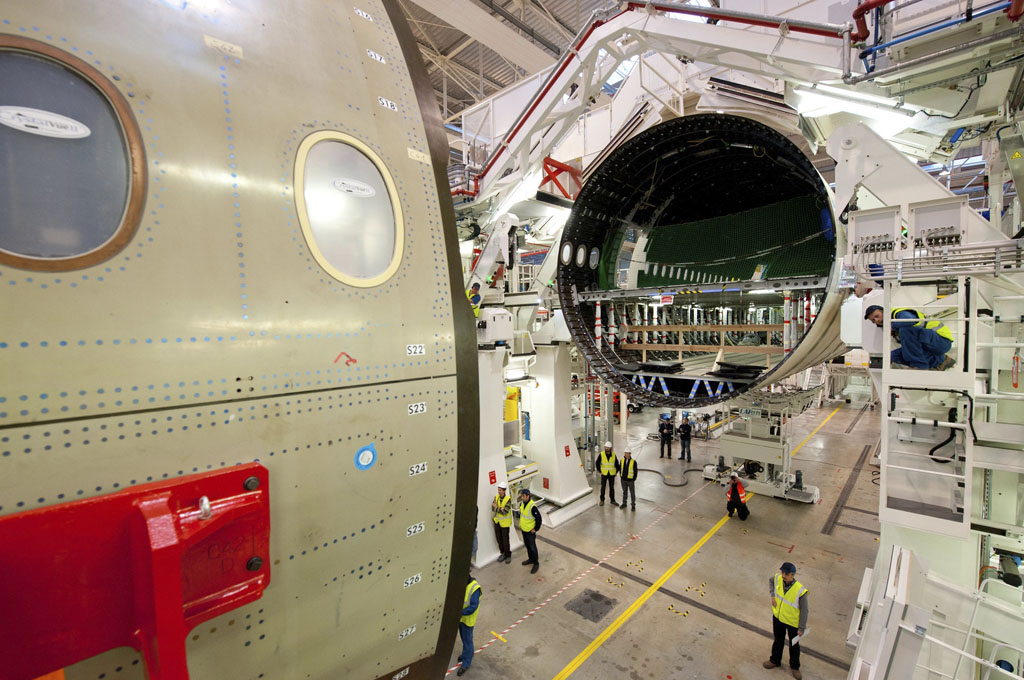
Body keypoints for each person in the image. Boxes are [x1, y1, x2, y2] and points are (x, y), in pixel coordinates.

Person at [864, 305, 955, 370]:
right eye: (873, 320)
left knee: (906, 330)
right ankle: (941, 360)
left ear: (884, 311)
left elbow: (909, 320)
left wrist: (893, 326)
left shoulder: (898, 313)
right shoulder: (893, 325)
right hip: (929, 345)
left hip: (942, 341)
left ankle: (919, 366)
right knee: (892, 356)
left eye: (877, 316)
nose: (877, 320)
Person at [764, 562, 809, 680]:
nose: (783, 575)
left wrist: (801, 627)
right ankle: (775, 660)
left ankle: (795, 667)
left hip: (792, 623)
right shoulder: (777, 578)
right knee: (778, 640)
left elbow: (805, 611)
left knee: (794, 645)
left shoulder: (800, 590)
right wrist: (772, 595)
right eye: (782, 572)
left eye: (786, 574)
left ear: (792, 575)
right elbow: (770, 581)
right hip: (778, 618)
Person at [456, 574, 482, 676]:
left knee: (467, 641)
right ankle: (467, 654)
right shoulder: (464, 584)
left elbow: (473, 607)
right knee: (464, 639)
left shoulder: (475, 588)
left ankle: (466, 663)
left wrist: (460, 612)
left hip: (468, 620)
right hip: (461, 619)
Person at [518, 488, 542, 574]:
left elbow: (539, 519)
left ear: (528, 496)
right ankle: (531, 559)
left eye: (523, 496)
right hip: (524, 529)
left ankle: (536, 563)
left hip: (530, 532)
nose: (522, 497)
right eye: (521, 496)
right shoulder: (522, 504)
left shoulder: (532, 506)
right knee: (527, 546)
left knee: (532, 547)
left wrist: (535, 529)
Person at [491, 483, 512, 564]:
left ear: (504, 490)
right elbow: (492, 508)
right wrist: (500, 509)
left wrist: (497, 508)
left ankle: (508, 555)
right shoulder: (496, 497)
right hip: (497, 522)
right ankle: (502, 553)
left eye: (500, 490)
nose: (498, 491)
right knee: (499, 539)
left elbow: (505, 512)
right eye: (498, 490)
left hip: (505, 524)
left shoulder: (508, 499)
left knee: (505, 540)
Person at [598, 441, 619, 506]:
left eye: (608, 447)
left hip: (611, 474)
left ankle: (612, 500)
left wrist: (616, 472)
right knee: (603, 487)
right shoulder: (601, 454)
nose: (606, 448)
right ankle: (602, 500)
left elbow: (617, 464)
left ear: (610, 448)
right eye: (606, 447)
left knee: (611, 488)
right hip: (604, 474)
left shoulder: (613, 455)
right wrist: (600, 471)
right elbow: (597, 463)